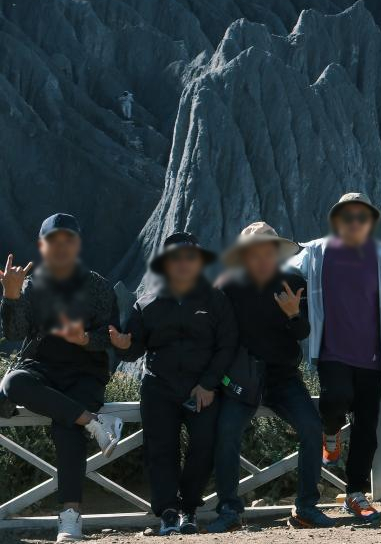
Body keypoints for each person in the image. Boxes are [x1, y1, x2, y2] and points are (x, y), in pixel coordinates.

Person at [286, 192, 381, 523]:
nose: (354, 222)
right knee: (336, 398)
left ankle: (355, 493)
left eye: (361, 217)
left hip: (374, 356)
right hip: (332, 350)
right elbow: (283, 276)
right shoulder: (316, 253)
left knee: (367, 428)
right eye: (347, 216)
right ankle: (331, 431)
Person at [0, 214, 123, 543]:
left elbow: (111, 336)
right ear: (42, 246)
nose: (61, 247)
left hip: (85, 373)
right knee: (12, 384)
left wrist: (84, 339)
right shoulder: (30, 283)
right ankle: (94, 422)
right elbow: (14, 333)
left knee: (66, 427)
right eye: (53, 241)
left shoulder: (97, 285)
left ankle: (70, 516)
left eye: (68, 240)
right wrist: (11, 296)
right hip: (41, 367)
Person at [210, 222, 335, 532]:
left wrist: (293, 312)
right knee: (226, 433)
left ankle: (305, 507)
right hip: (241, 377)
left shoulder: (292, 282)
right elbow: (216, 334)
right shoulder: (228, 286)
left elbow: (303, 332)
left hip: (282, 376)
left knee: (311, 427)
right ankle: (228, 509)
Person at [111, 232, 236, 536]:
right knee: (160, 451)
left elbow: (228, 345)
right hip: (159, 388)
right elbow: (135, 349)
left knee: (203, 447)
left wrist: (208, 384)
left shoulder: (215, 299)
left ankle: (189, 508)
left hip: (202, 389)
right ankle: (168, 512)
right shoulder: (147, 302)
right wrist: (122, 344)